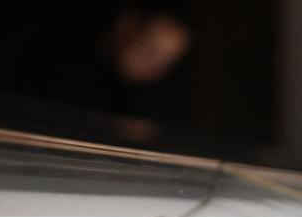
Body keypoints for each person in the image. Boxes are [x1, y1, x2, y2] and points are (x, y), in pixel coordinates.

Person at [16, 3, 194, 132]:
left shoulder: (160, 97)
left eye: (167, 60)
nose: (154, 65)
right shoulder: (61, 63)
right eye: (150, 48)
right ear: (127, 25)